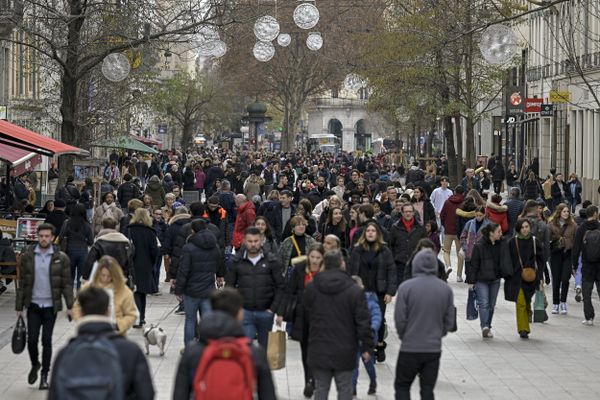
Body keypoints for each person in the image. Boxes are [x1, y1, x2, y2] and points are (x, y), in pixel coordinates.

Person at [48, 286, 154, 400]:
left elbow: (54, 395)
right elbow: (146, 394)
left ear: (82, 313)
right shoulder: (130, 351)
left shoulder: (65, 354)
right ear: (108, 312)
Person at [173, 288, 276, 400]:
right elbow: (268, 395)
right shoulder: (254, 353)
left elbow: (180, 395)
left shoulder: (192, 352)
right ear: (240, 314)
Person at [303, 250, 374, 400]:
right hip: (345, 348)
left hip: (319, 346)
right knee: (344, 389)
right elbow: (363, 321)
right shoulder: (354, 290)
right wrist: (367, 347)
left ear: (323, 265)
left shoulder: (312, 287)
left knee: (321, 388)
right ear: (342, 264)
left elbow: (306, 317)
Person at [15, 223, 73, 390]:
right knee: (32, 340)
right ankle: (35, 364)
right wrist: (19, 306)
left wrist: (70, 305)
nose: (44, 239)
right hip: (33, 305)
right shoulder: (28, 256)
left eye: (47, 236)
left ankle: (44, 375)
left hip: (50, 306)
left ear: (52, 237)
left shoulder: (60, 258)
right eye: (41, 236)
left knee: (46, 340)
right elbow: (23, 282)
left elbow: (66, 284)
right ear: (37, 236)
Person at [394, 249, 455, 400]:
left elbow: (400, 319)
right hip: (433, 349)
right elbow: (449, 321)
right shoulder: (445, 289)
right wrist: (438, 334)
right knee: (427, 390)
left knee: (402, 386)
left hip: (409, 347)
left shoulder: (405, 288)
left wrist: (404, 336)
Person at [276, 244, 325, 398]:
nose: (315, 261)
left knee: (317, 350)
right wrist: (281, 313)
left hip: (322, 316)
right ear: (308, 256)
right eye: (313, 257)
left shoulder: (327, 272)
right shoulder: (300, 269)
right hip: (302, 314)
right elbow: (289, 291)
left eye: (318, 258)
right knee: (305, 351)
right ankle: (308, 380)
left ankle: (314, 377)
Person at [348, 221, 396, 365]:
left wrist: (390, 291)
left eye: (373, 231)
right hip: (360, 291)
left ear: (378, 234)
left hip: (379, 291)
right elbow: (351, 270)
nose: (370, 233)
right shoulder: (357, 250)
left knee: (379, 319)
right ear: (364, 233)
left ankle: (379, 344)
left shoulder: (384, 250)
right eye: (368, 230)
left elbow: (391, 271)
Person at [226, 227, 284, 347]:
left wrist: (275, 309)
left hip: (266, 311)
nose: (253, 244)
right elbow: (229, 288)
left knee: (264, 348)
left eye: (256, 241)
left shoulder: (271, 261)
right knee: (245, 348)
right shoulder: (237, 261)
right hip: (244, 311)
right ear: (244, 241)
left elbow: (280, 286)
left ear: (261, 240)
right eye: (250, 241)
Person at [176, 219, 225, 345]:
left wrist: (178, 290)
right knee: (207, 320)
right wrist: (220, 275)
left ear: (193, 230)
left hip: (191, 290)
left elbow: (183, 270)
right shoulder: (214, 246)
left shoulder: (188, 247)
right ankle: (207, 345)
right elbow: (220, 263)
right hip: (209, 289)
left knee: (190, 320)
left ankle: (189, 348)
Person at [72, 255, 137, 335]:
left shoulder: (124, 291)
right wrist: (83, 322)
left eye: (109, 276)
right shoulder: (88, 287)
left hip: (115, 335)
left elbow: (132, 314)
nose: (105, 279)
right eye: (103, 275)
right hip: (90, 334)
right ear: (98, 273)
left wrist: (119, 325)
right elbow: (77, 307)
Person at [505, 219, 545, 338]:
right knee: (521, 302)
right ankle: (523, 329)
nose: (525, 229)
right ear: (518, 229)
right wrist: (508, 274)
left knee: (527, 301)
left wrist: (541, 276)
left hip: (532, 277)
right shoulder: (512, 242)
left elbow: (541, 260)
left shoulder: (534, 241)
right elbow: (508, 259)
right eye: (522, 227)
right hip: (517, 277)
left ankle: (528, 313)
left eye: (527, 227)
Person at [466, 222, 503, 339]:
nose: (501, 234)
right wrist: (471, 281)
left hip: (495, 279)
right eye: (498, 231)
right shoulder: (479, 246)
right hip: (481, 280)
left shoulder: (501, 244)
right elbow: (474, 265)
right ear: (491, 233)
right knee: (484, 304)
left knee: (492, 305)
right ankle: (485, 327)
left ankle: (488, 325)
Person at [126, 208, 159, 328]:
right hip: (145, 264)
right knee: (142, 292)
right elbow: (154, 250)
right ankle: (142, 317)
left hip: (131, 264)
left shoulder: (129, 230)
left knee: (135, 291)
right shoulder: (150, 232)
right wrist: (152, 263)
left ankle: (138, 317)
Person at [351, 276, 381, 397]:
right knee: (354, 365)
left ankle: (373, 381)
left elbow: (376, 316)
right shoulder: (349, 301)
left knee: (368, 363)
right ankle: (352, 387)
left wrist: (372, 328)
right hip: (353, 338)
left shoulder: (370, 301)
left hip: (367, 338)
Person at [82, 217, 134, 284]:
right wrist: (132, 280)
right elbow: (130, 263)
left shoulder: (99, 242)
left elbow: (89, 261)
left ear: (103, 226)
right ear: (115, 227)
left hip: (103, 278)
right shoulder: (125, 242)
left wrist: (85, 278)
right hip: (121, 278)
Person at [571, 205, 600, 325]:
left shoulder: (582, 228)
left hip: (587, 264)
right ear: (594, 214)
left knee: (586, 292)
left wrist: (574, 264)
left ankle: (589, 317)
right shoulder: (599, 226)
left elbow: (576, 247)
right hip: (599, 264)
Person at [389, 202, 427, 288]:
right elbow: (390, 245)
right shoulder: (395, 227)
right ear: (402, 213)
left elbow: (425, 245)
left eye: (410, 211)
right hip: (400, 264)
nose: (408, 213)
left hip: (416, 264)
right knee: (402, 290)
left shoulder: (420, 228)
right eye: (406, 211)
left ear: (413, 212)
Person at [547, 204, 577, 314]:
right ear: (559, 212)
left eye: (568, 211)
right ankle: (555, 304)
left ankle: (563, 302)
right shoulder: (551, 225)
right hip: (555, 254)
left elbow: (577, 240)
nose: (566, 213)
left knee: (565, 278)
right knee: (556, 279)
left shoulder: (573, 225)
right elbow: (547, 240)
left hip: (568, 254)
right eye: (564, 211)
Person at [57, 204, 94, 290]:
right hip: (83, 251)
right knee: (81, 277)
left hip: (69, 251)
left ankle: (69, 296)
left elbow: (61, 236)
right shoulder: (87, 225)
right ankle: (79, 296)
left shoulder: (67, 222)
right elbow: (91, 241)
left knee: (70, 276)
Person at [440, 185, 465, 281]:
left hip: (448, 230)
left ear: (454, 192)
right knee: (460, 254)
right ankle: (459, 275)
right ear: (463, 193)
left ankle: (448, 266)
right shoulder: (464, 203)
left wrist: (445, 225)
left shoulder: (447, 202)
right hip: (460, 232)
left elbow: (442, 215)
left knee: (446, 251)